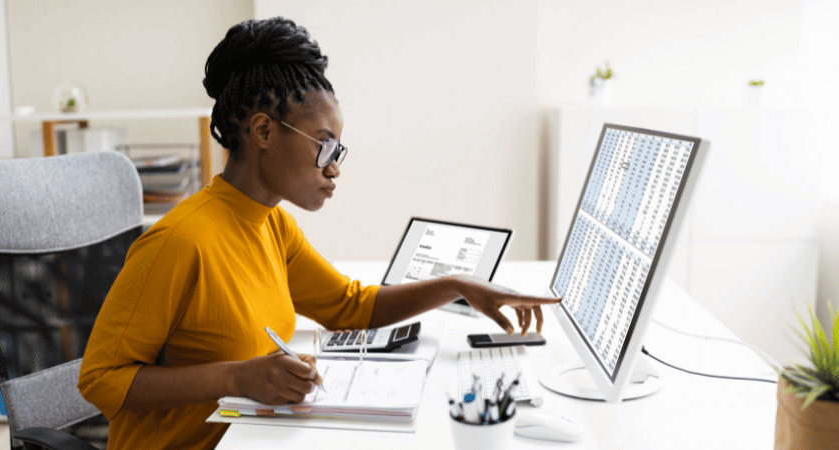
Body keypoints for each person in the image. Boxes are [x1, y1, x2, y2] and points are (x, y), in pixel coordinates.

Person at [78, 17, 559, 449]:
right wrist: (238, 377)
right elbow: (100, 379)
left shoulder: (273, 225)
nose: (334, 169)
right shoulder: (179, 242)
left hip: (253, 436)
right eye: (325, 147)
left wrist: (458, 286)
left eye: (338, 152)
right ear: (264, 131)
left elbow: (350, 308)